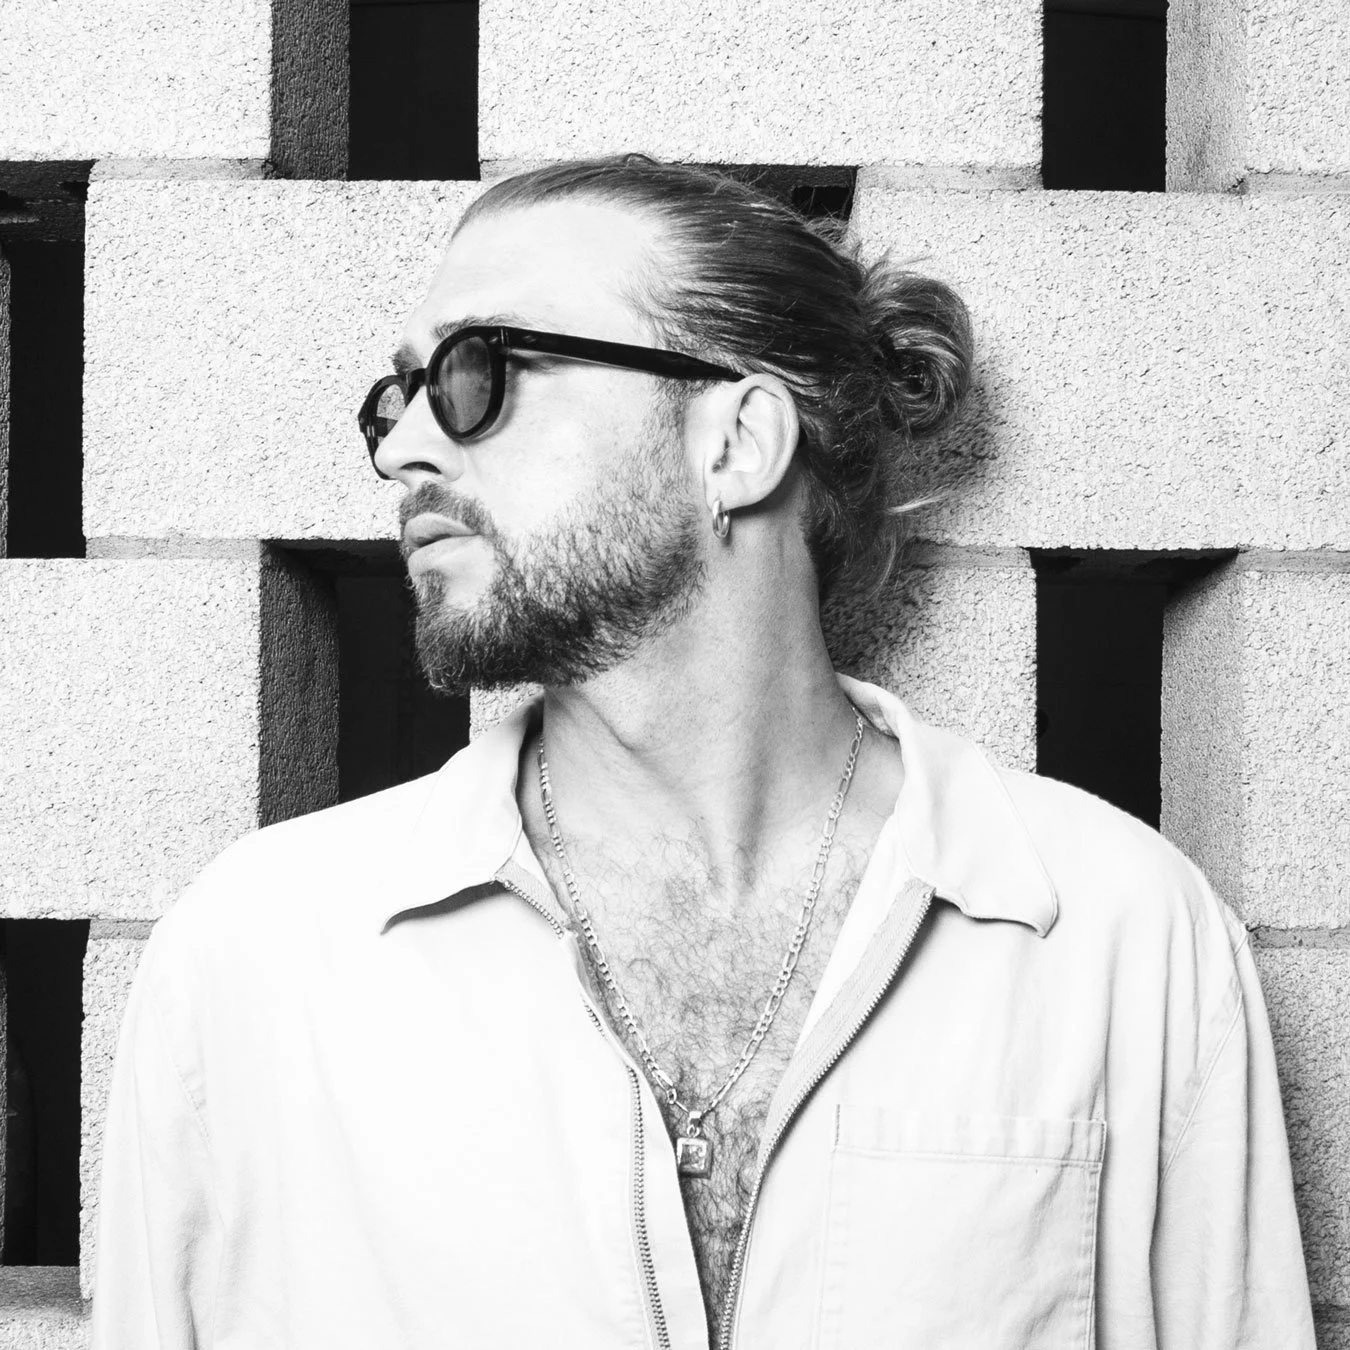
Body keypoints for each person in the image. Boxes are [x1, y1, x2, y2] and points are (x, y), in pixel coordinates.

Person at [92, 154, 1315, 1349]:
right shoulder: (257, 960)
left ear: (736, 442)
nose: (404, 446)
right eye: (396, 397)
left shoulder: (1118, 936)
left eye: (477, 374)